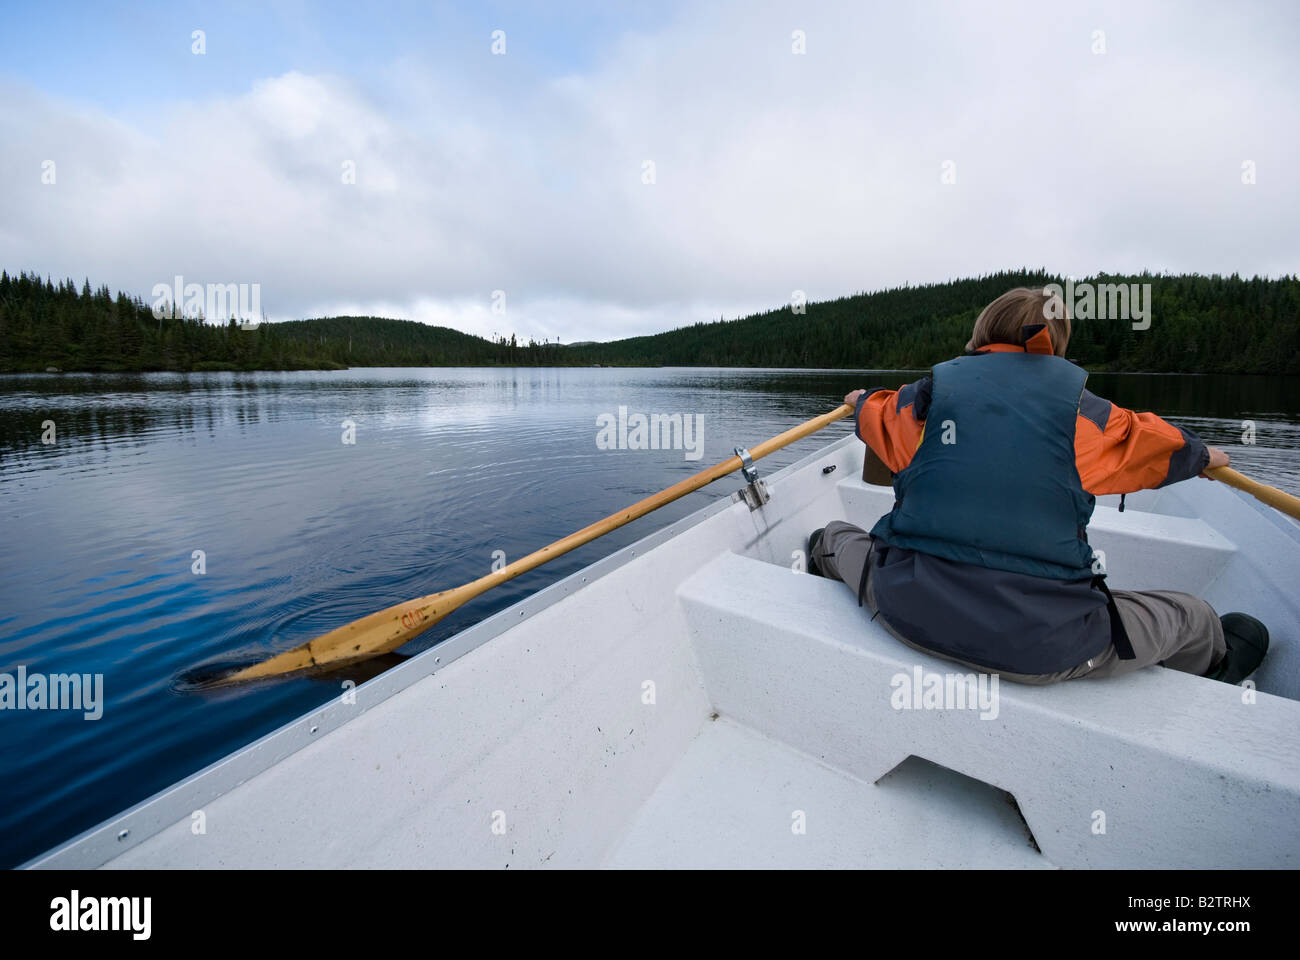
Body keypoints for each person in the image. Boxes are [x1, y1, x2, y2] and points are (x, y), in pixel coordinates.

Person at [809, 287, 1268, 684]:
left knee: (830, 536)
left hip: (905, 609)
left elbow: (876, 412)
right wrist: (1205, 456)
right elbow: (1158, 446)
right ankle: (1214, 669)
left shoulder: (926, 399)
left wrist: (860, 399)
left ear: (982, 333)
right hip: (1043, 646)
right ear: (1057, 344)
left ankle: (824, 565)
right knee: (1197, 617)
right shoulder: (1086, 416)